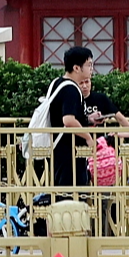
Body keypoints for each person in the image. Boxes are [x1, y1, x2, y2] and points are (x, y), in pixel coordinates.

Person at [40, 47, 94, 193]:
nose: (91, 69)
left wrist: (87, 119)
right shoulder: (71, 89)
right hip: (68, 152)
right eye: (89, 65)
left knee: (61, 192)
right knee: (71, 196)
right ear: (76, 68)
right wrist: (88, 137)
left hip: (56, 147)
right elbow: (68, 120)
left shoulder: (57, 83)